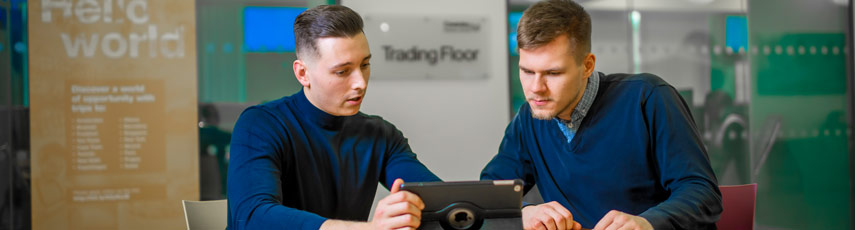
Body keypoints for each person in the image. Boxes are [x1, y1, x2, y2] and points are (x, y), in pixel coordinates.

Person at [480, 0, 722, 229]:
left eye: (553, 74)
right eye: (527, 71)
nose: (535, 88)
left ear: (587, 65)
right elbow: (488, 195)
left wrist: (648, 223)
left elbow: (702, 192)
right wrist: (525, 211)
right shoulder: (528, 119)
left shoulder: (648, 99)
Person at [227, 5, 441, 230]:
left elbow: (438, 202)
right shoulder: (259, 125)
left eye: (365, 65)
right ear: (303, 73)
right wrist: (369, 229)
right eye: (342, 72)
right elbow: (252, 218)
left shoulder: (381, 135)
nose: (361, 83)